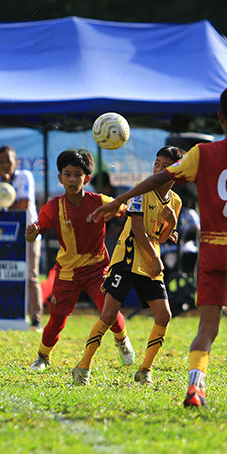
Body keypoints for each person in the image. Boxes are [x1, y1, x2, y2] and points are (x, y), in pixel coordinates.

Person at [90, 85, 227, 408]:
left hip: (212, 250)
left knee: (207, 328)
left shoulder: (201, 154)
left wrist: (121, 200)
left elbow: (157, 180)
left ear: (221, 118)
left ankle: (196, 387)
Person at [72, 146, 184, 386]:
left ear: (177, 172)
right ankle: (83, 367)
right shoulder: (140, 190)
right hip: (128, 260)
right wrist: (155, 257)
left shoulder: (176, 201)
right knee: (109, 314)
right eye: (157, 164)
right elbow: (137, 229)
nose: (159, 169)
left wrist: (171, 224)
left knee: (164, 316)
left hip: (151, 263)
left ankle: (145, 370)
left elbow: (161, 237)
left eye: (166, 166)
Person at [24, 149, 135, 374]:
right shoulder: (54, 206)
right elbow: (35, 231)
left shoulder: (100, 202)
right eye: (67, 174)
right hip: (67, 272)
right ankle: (43, 357)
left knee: (109, 310)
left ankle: (121, 339)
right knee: (56, 320)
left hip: (98, 269)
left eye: (77, 174)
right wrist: (31, 233)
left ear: (87, 178)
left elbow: (128, 211)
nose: (72, 179)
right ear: (60, 178)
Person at [0, 145, 43, 328]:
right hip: (4, 234)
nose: (4, 165)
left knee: (31, 275)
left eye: (8, 161)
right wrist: (4, 187)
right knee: (6, 272)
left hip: (29, 233)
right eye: (0, 162)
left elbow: (23, 205)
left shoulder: (26, 176)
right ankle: (7, 314)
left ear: (15, 162)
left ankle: (36, 318)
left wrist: (7, 188)